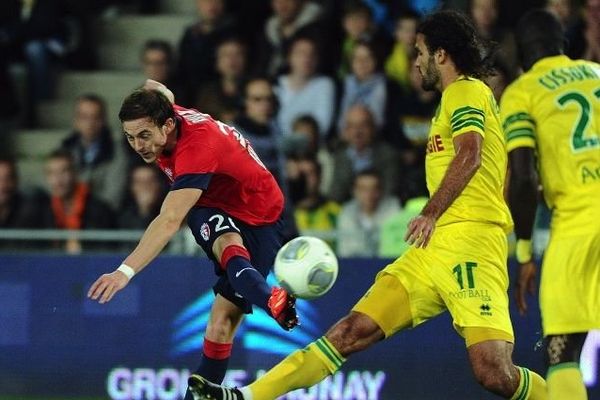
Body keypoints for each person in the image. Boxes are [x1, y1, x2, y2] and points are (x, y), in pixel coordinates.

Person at [188, 10, 548, 400]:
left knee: (494, 373)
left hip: (471, 245)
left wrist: (430, 211)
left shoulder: (466, 90)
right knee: (348, 333)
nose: (416, 62)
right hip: (431, 251)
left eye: (421, 52)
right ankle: (244, 397)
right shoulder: (453, 100)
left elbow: (471, 154)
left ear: (442, 55)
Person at [86, 79, 298, 400]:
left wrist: (124, 271)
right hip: (216, 199)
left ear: (168, 124)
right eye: (130, 138)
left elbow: (170, 220)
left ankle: (270, 301)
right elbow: (158, 89)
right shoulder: (165, 113)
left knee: (221, 324)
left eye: (144, 135)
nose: (139, 145)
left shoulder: (197, 148)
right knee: (217, 324)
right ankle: (271, 301)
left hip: (261, 214)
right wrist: (153, 92)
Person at [500, 9, 600, 400]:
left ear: (522, 55)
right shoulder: (596, 74)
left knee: (562, 351)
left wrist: (525, 251)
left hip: (578, 223)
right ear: (563, 45)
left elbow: (523, 178)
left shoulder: (524, 91)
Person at [39, 149, 116, 254]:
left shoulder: (99, 210)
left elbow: (106, 249)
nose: (58, 180)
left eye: (64, 171)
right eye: (52, 173)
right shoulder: (41, 210)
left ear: (75, 173)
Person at [60, 94, 128, 210]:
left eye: (95, 117)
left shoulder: (117, 151)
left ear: (103, 121)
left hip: (101, 219)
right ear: (75, 121)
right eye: (84, 117)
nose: (90, 123)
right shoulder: (64, 149)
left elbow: (114, 196)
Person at [336, 169, 400, 257]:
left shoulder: (393, 208)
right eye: (363, 189)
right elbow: (345, 252)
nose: (369, 194)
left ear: (381, 191)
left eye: (374, 188)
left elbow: (393, 248)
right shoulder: (347, 212)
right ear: (354, 191)